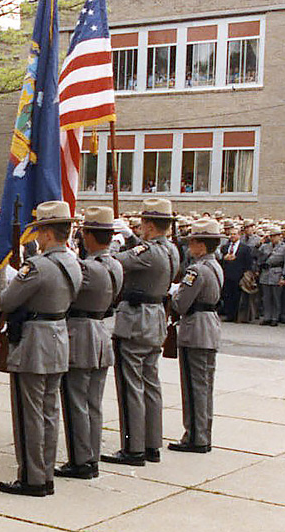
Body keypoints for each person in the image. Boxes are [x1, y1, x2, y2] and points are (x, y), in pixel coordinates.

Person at [0, 200, 82, 497]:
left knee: (28, 413)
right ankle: (44, 474)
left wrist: (9, 278)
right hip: (58, 336)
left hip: (34, 342)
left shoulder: (39, 266)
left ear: (45, 233)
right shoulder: (73, 261)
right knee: (48, 412)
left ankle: (32, 478)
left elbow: (6, 301)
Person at [102, 198, 179, 468]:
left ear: (149, 224)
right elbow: (144, 254)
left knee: (130, 385)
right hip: (156, 317)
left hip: (136, 319)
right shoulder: (171, 249)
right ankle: (151, 444)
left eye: (142, 224)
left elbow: (113, 261)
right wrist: (133, 237)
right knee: (151, 384)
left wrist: (114, 239)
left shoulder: (148, 251)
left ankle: (133, 446)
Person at [56, 206, 122, 480]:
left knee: (76, 401)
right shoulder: (115, 264)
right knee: (92, 402)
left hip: (80, 333)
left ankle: (81, 460)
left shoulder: (86, 268)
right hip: (100, 331)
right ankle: (90, 455)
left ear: (88, 236)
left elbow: (65, 296)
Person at [169, 218, 224, 454]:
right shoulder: (215, 265)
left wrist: (172, 293)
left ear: (202, 245)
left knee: (194, 387)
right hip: (208, 327)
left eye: (192, 242)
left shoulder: (196, 269)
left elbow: (181, 304)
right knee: (203, 386)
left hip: (196, 329)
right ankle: (202, 433)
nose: (189, 246)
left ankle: (195, 437)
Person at [257, 226, 285, 326]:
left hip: (277, 273)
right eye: (272, 236)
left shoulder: (284, 248)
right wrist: (260, 242)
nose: (273, 238)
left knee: (276, 297)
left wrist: (284, 277)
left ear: (280, 236)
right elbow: (256, 255)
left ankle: (275, 317)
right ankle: (267, 317)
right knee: (266, 298)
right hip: (266, 273)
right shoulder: (265, 246)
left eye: (275, 236)